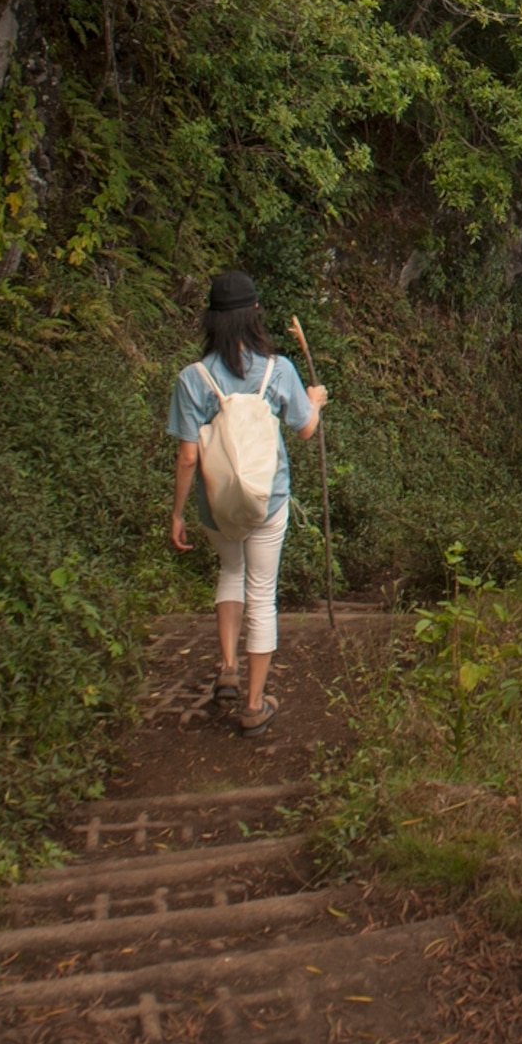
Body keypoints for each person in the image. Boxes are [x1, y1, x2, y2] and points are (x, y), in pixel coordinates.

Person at [165, 271, 326, 734]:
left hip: (216, 505)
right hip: (267, 501)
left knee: (230, 571)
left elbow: (188, 456)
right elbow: (305, 429)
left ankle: (229, 669)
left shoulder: (192, 378)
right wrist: (314, 401)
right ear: (255, 313)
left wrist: (177, 513)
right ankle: (254, 705)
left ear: (211, 319)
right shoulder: (279, 370)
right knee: (262, 591)